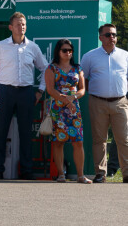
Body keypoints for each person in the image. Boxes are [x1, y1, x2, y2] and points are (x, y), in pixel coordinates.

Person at [0, 12, 48, 180]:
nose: (22, 27)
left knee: (25, 132)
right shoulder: (1, 46)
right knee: (1, 131)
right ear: (11, 27)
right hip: (5, 91)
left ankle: (26, 170)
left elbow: (46, 69)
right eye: (18, 24)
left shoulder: (32, 47)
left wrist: (40, 90)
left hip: (26, 92)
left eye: (24, 24)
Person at [81, 24, 128, 184]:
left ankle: (126, 174)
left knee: (124, 139)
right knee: (99, 139)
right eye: (108, 35)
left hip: (121, 102)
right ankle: (100, 173)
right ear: (101, 37)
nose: (112, 37)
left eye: (114, 34)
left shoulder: (125, 55)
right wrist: (95, 92)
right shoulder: (89, 56)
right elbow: (83, 79)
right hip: (98, 102)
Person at [45, 39, 90, 184]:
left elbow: (82, 89)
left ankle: (81, 176)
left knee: (78, 142)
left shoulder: (78, 68)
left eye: (70, 50)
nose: (68, 53)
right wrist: (66, 100)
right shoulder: (51, 68)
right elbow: (50, 90)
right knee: (58, 142)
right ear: (58, 51)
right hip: (58, 108)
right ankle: (61, 175)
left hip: (74, 109)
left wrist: (73, 97)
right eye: (64, 50)